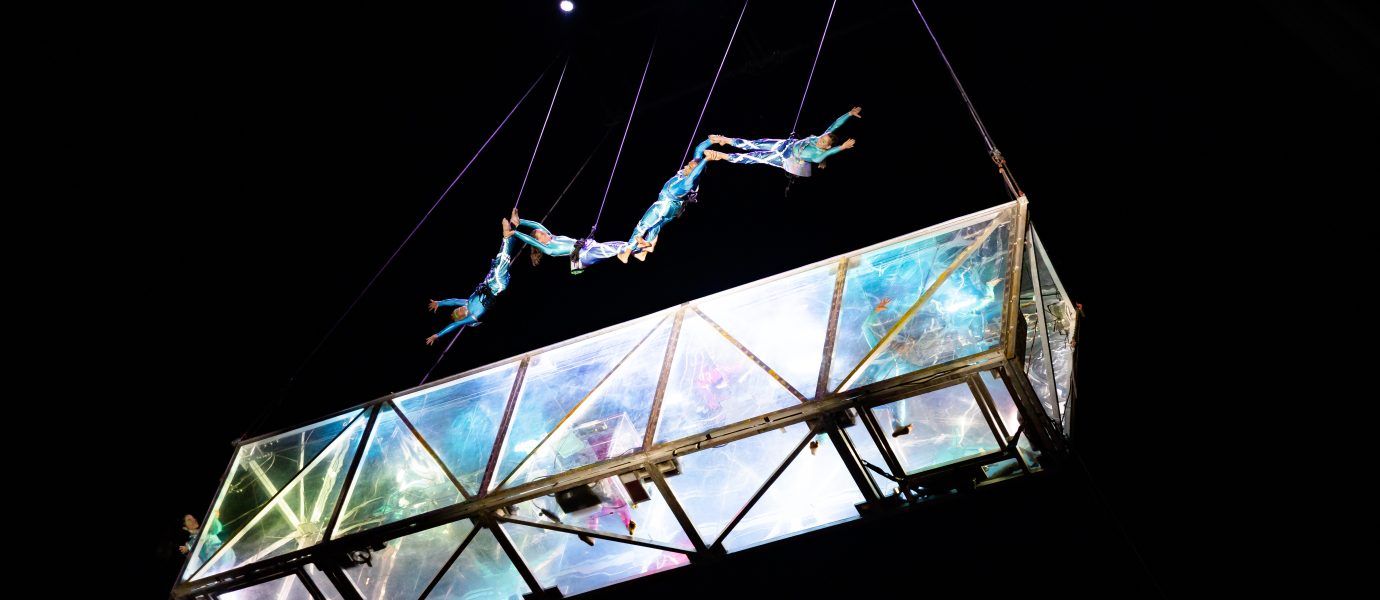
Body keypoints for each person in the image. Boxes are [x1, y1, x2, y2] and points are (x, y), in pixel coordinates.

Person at [621, 138, 722, 261]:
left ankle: (625, 254)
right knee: (656, 226)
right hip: (675, 209)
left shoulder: (686, 184)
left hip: (664, 205)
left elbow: (694, 174)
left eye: (689, 165)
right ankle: (643, 253)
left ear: (693, 171)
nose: (687, 164)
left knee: (642, 226)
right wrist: (712, 140)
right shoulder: (692, 176)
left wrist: (706, 159)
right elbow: (698, 150)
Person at [426, 219, 516, 345]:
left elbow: (453, 301)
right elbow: (455, 325)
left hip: (490, 278)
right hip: (497, 284)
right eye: (459, 312)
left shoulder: (467, 303)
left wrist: (439, 303)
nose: (459, 308)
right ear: (463, 317)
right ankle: (507, 235)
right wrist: (437, 335)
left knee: (501, 255)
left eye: (457, 309)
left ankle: (514, 228)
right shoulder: (473, 316)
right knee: (504, 258)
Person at [704, 106, 861, 178]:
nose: (820, 139)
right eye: (822, 137)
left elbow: (831, 152)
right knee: (756, 143)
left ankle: (721, 156)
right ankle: (725, 140)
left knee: (754, 157)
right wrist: (849, 113)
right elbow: (834, 125)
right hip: (787, 144)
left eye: (823, 142)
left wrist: (842, 147)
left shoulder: (818, 156)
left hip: (785, 158)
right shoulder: (820, 138)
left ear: (827, 147)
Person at [507, 208, 632, 273]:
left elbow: (537, 225)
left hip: (587, 248)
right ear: (540, 242)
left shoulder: (552, 237)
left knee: (620, 245)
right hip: (583, 257)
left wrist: (520, 221)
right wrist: (514, 232)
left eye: (543, 232)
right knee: (613, 248)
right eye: (542, 235)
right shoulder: (549, 249)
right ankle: (627, 253)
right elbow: (530, 240)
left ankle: (637, 252)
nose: (545, 233)